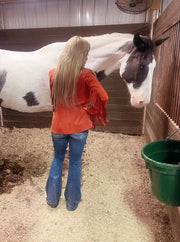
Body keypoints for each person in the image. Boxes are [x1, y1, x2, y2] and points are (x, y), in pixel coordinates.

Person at [45, 36, 108, 211]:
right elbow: (104, 97)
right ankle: (72, 203)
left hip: (58, 126)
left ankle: (52, 199)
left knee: (57, 159)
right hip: (79, 127)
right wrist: (88, 108)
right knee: (74, 162)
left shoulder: (53, 73)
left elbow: (54, 100)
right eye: (86, 54)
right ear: (79, 55)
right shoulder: (87, 75)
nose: (87, 58)